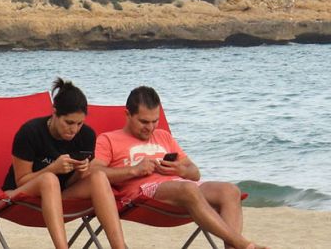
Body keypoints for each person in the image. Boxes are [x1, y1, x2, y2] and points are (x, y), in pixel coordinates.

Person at [92, 86, 269, 249]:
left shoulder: (163, 136)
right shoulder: (108, 139)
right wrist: (134, 170)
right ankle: (243, 245)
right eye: (144, 122)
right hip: (142, 195)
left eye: (155, 121)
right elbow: (95, 173)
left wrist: (180, 170)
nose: (151, 128)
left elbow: (195, 172)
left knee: (230, 191)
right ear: (128, 114)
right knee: (188, 188)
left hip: (180, 188)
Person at [3, 78, 127, 249]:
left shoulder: (87, 135)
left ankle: (119, 247)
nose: (74, 130)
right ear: (54, 112)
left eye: (79, 123)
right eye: (69, 122)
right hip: (19, 195)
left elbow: (69, 184)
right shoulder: (30, 132)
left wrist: (80, 173)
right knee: (49, 179)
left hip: (59, 196)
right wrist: (53, 168)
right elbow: (22, 180)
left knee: (98, 176)